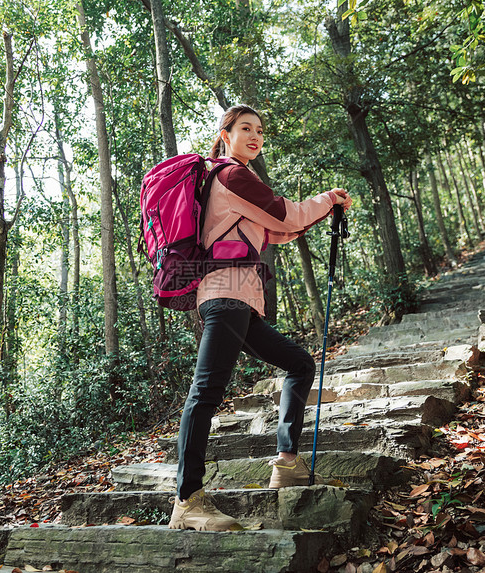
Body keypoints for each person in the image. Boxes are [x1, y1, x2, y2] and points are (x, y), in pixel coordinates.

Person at [168, 104, 353, 532]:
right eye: (245, 128)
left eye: (260, 131)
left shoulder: (229, 180)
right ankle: (187, 499)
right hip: (226, 294)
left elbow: (276, 228)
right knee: (205, 394)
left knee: (299, 363)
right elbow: (285, 213)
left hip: (240, 300)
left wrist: (322, 211)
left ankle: (287, 462)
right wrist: (325, 199)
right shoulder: (232, 175)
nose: (255, 136)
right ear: (225, 134)